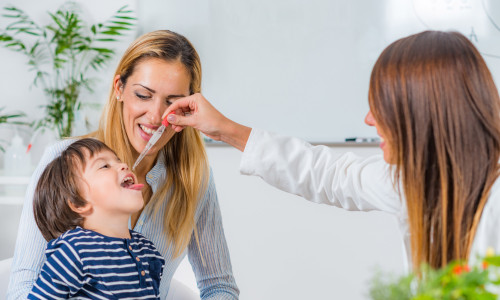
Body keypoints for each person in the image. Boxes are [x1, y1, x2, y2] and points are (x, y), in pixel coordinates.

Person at [163, 30, 500, 270]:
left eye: (382, 107)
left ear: (422, 113)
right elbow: (326, 174)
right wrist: (226, 129)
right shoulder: (413, 181)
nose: (369, 120)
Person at [8, 30, 239, 299]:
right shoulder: (62, 160)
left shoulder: (193, 179)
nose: (155, 117)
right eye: (143, 95)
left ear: (190, 107)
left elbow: (218, 287)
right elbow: (24, 285)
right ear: (119, 88)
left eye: (172, 103)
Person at [28, 138, 165, 299]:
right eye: (105, 166)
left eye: (118, 160)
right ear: (78, 204)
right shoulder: (75, 250)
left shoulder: (148, 250)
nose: (124, 165)